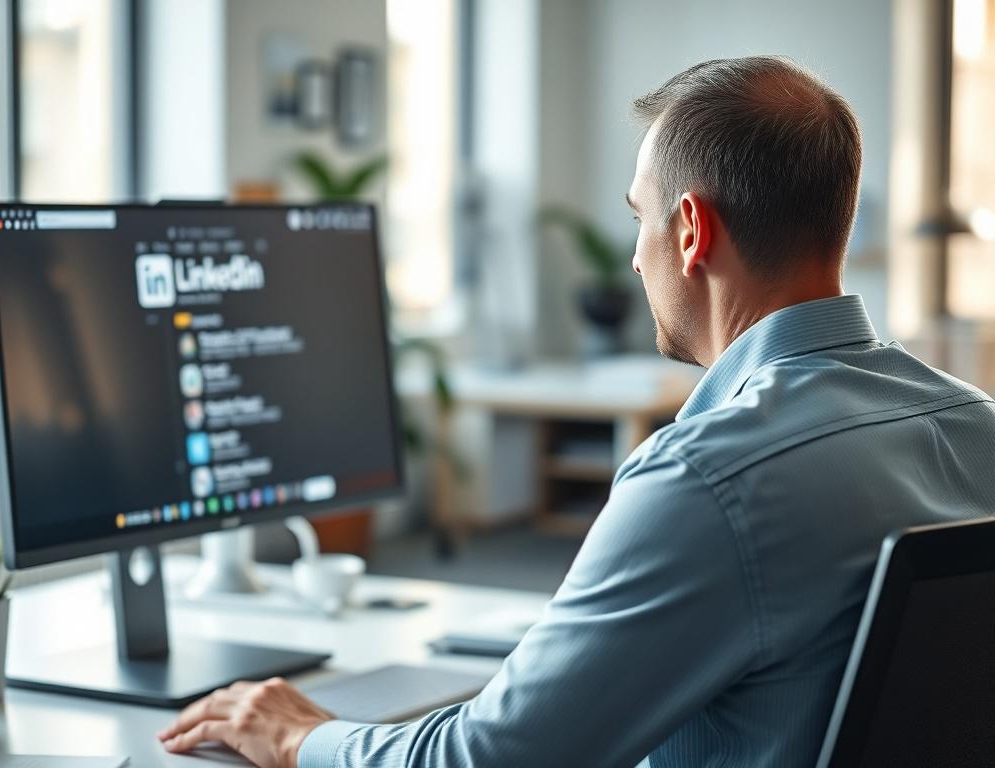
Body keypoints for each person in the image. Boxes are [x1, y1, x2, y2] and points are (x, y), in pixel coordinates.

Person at [158, 56, 995, 768]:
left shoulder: (708, 479)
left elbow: (487, 761)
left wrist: (305, 736)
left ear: (692, 230)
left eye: (640, 218)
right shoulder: (976, 422)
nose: (634, 257)